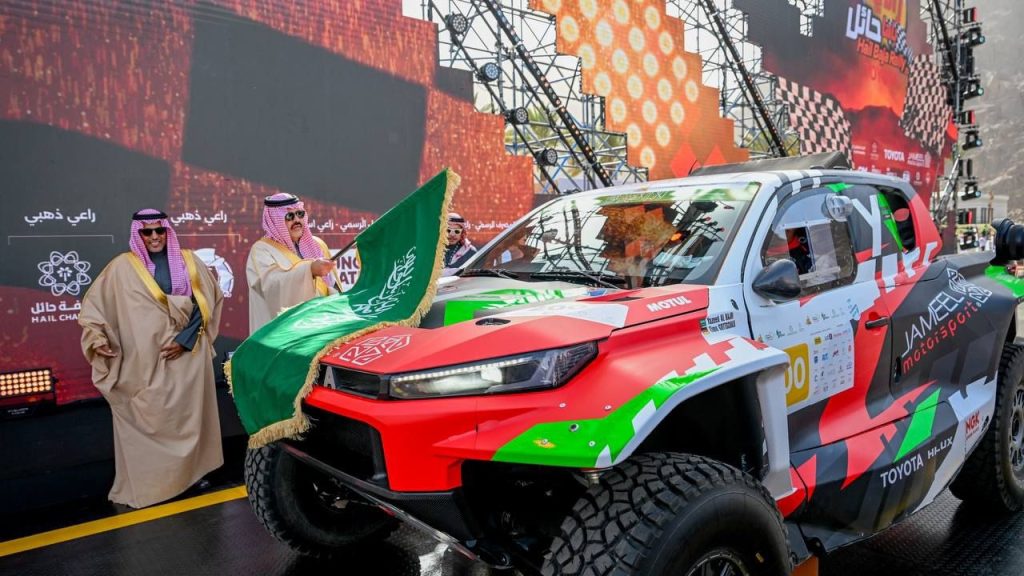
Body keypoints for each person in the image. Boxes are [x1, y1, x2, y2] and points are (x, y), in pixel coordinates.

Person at [78, 209, 224, 508]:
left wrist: (184, 341)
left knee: (188, 419)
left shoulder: (188, 261)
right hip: (143, 362)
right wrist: (98, 340)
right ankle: (153, 483)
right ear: (138, 234)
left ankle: (192, 476)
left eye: (160, 231)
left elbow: (205, 303)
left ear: (168, 231)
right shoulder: (121, 268)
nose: (155, 237)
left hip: (186, 358)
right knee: (151, 416)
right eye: (148, 232)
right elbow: (94, 311)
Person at [247, 193, 342, 333]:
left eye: (300, 214)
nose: (297, 220)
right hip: (287, 332)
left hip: (324, 324)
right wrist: (309, 270)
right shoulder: (262, 251)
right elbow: (272, 288)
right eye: (289, 216)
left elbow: (332, 287)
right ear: (275, 220)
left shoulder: (318, 245)